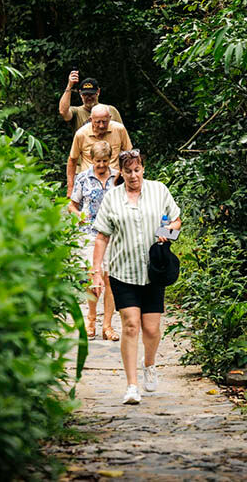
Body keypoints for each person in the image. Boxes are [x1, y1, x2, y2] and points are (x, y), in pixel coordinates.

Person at [91, 149, 182, 405]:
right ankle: (131, 385)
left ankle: (149, 365)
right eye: (128, 171)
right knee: (130, 325)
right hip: (123, 271)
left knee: (151, 328)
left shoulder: (159, 190)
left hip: (153, 272)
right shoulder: (112, 198)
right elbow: (102, 236)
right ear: (121, 172)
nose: (133, 175)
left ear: (143, 169)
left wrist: (167, 232)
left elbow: (176, 221)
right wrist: (96, 271)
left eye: (137, 170)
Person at [68, 141, 120, 341]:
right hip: (89, 233)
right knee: (93, 277)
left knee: (110, 279)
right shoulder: (82, 178)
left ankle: (108, 325)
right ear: (91, 159)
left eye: (105, 161)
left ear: (110, 159)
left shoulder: (117, 177)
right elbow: (72, 205)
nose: (101, 165)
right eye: (98, 161)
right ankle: (91, 318)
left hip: (113, 234)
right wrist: (79, 215)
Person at [67, 104, 132, 196]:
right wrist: (70, 188)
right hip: (88, 182)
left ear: (110, 118)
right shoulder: (81, 134)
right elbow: (72, 160)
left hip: (115, 181)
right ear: (91, 120)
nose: (101, 126)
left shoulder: (119, 129)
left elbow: (129, 156)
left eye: (104, 122)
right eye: (97, 122)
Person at [58, 71, 123, 132]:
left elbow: (122, 133)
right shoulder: (76, 112)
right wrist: (69, 86)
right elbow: (63, 112)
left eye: (91, 94)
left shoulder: (111, 110)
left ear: (98, 92)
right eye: (85, 94)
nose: (89, 97)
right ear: (80, 93)